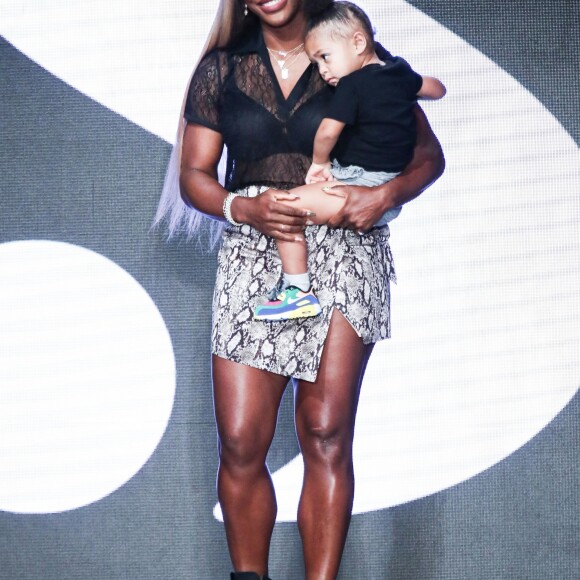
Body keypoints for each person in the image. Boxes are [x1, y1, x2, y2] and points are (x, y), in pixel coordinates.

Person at [156, 0, 444, 578]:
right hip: (254, 246)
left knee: (325, 431)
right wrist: (244, 207)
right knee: (240, 440)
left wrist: (381, 197)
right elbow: (194, 175)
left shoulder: (348, 53)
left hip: (343, 247)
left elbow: (427, 157)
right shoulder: (222, 69)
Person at [253, 1, 446, 322]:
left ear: (358, 43)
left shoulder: (351, 84)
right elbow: (436, 88)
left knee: (282, 208)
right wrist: (410, 91)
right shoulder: (397, 71)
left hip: (358, 185)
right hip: (385, 190)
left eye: (325, 58)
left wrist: (319, 163)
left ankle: (297, 292)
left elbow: (328, 132)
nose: (324, 71)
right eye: (316, 64)